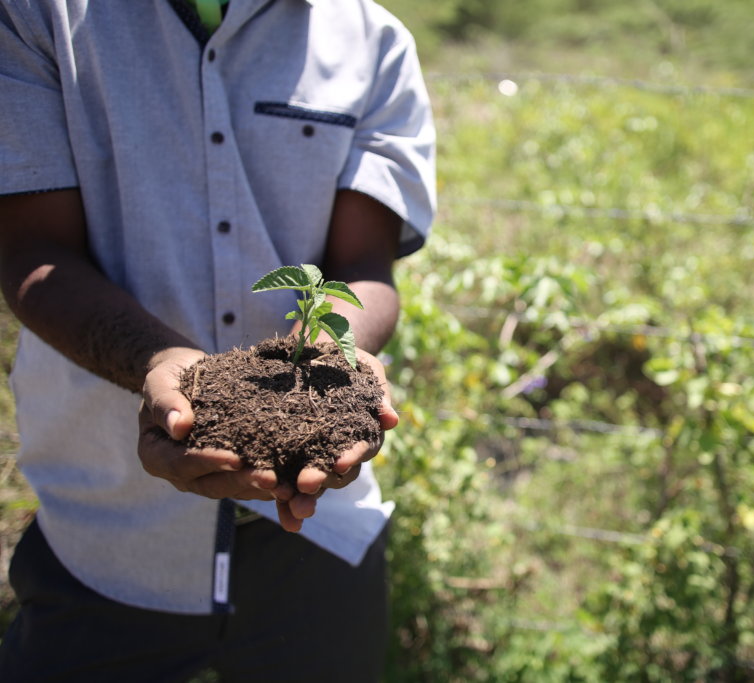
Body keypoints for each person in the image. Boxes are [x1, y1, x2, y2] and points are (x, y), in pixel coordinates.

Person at [0, 0, 435, 680]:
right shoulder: (38, 17)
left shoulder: (371, 40)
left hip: (321, 537)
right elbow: (32, 247)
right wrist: (158, 360)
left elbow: (363, 267)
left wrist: (327, 357)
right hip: (106, 530)